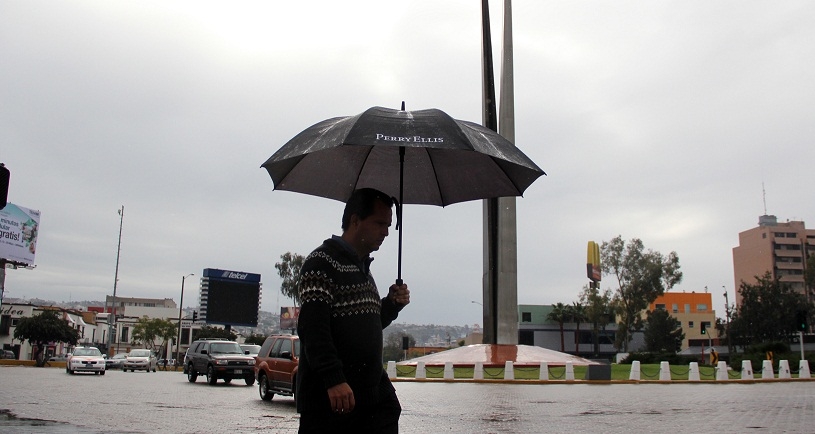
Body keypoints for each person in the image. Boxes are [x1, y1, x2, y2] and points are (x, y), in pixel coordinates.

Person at [296, 188, 411, 434]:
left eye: (389, 224)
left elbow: (364, 326)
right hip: (333, 403)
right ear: (355, 220)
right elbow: (313, 330)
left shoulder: (362, 269)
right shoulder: (321, 264)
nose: (386, 232)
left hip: (369, 399)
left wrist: (391, 304)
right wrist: (334, 379)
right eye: (380, 223)